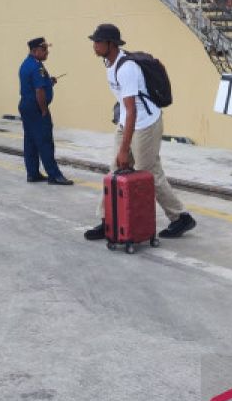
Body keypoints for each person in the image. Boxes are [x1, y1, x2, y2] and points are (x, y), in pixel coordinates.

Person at [82, 24, 196, 241]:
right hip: (127, 122)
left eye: (98, 42)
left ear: (111, 44)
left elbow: (133, 110)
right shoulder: (109, 64)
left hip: (145, 125)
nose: (94, 46)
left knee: (148, 174)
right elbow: (125, 107)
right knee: (115, 170)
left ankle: (181, 217)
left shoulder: (127, 69)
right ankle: (107, 221)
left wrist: (125, 148)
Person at [18, 37, 73, 186]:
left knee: (30, 141)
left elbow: (37, 85)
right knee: (45, 141)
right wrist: (43, 110)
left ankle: (33, 173)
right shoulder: (37, 67)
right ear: (35, 51)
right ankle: (54, 175)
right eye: (44, 49)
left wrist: (50, 82)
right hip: (36, 108)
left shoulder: (26, 64)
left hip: (26, 106)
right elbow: (39, 91)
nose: (47, 52)